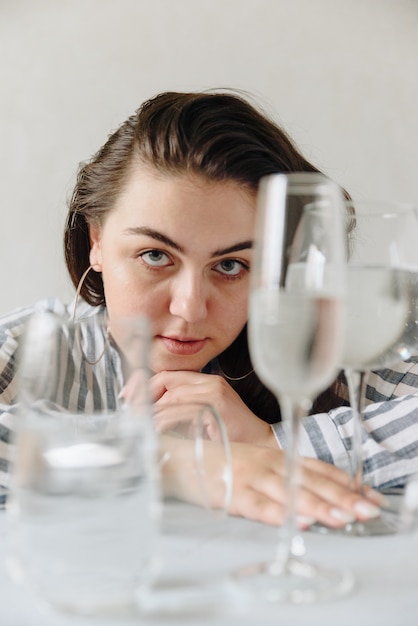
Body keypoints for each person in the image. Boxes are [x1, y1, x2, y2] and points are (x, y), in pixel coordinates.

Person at [1, 90, 417, 527]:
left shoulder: (318, 352)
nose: (190, 307)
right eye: (155, 256)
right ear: (97, 242)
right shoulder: (26, 346)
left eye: (231, 265)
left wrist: (272, 442)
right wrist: (182, 466)